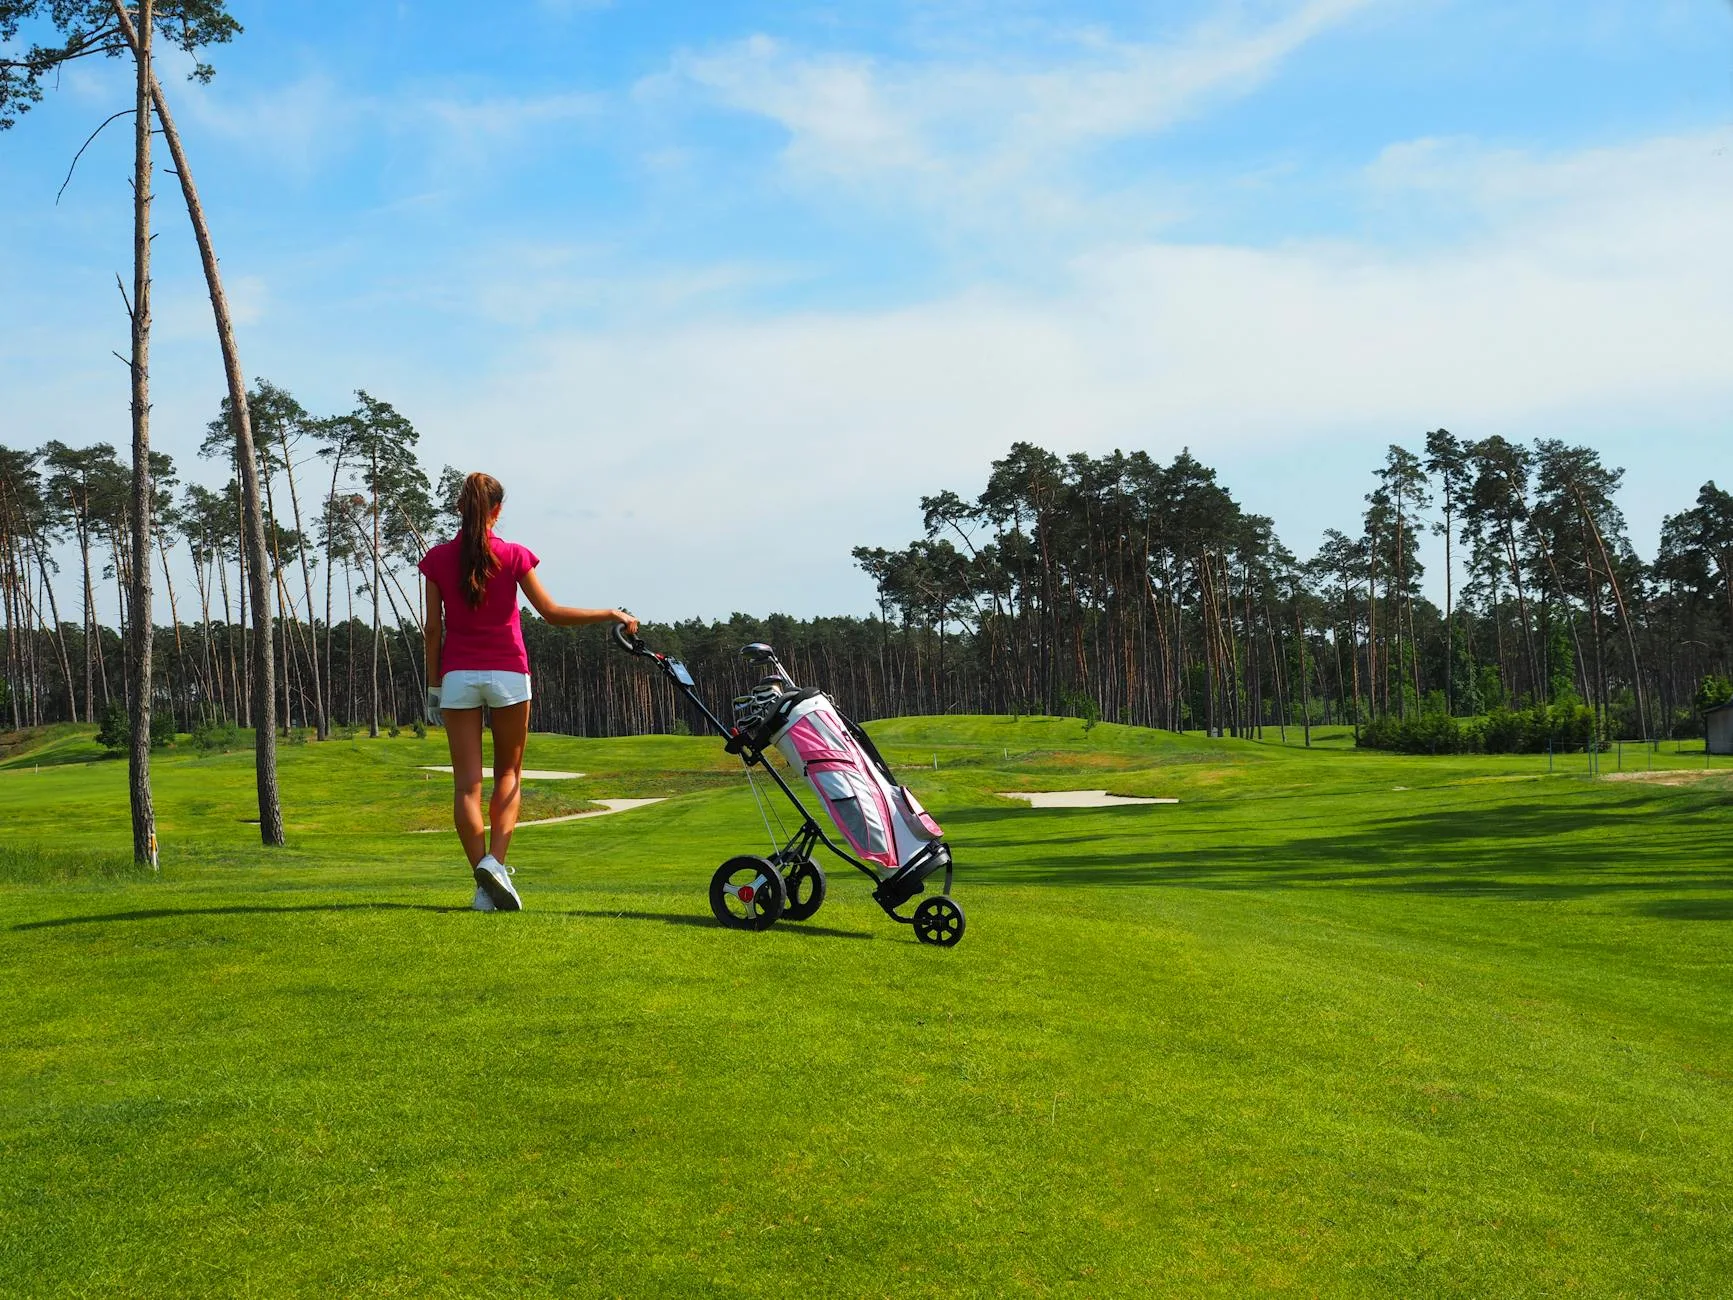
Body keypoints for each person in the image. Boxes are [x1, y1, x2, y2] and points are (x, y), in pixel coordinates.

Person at [420, 472, 637, 911]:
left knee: (466, 788)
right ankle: (495, 867)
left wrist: (433, 685)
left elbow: (432, 630)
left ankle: (484, 886)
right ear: (497, 510)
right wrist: (609, 612)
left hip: (458, 676)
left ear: (460, 507)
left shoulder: (437, 558)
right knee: (508, 776)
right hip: (508, 675)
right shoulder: (515, 555)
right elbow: (553, 614)